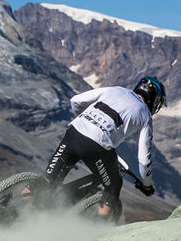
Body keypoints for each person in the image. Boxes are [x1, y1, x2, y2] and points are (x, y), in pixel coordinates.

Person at [31, 76, 165, 224]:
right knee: (114, 185)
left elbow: (75, 100)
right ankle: (99, 229)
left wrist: (86, 122)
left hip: (74, 132)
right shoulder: (145, 115)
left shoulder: (115, 89)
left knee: (47, 180)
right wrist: (146, 185)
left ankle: (17, 209)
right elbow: (144, 159)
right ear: (154, 100)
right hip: (97, 147)